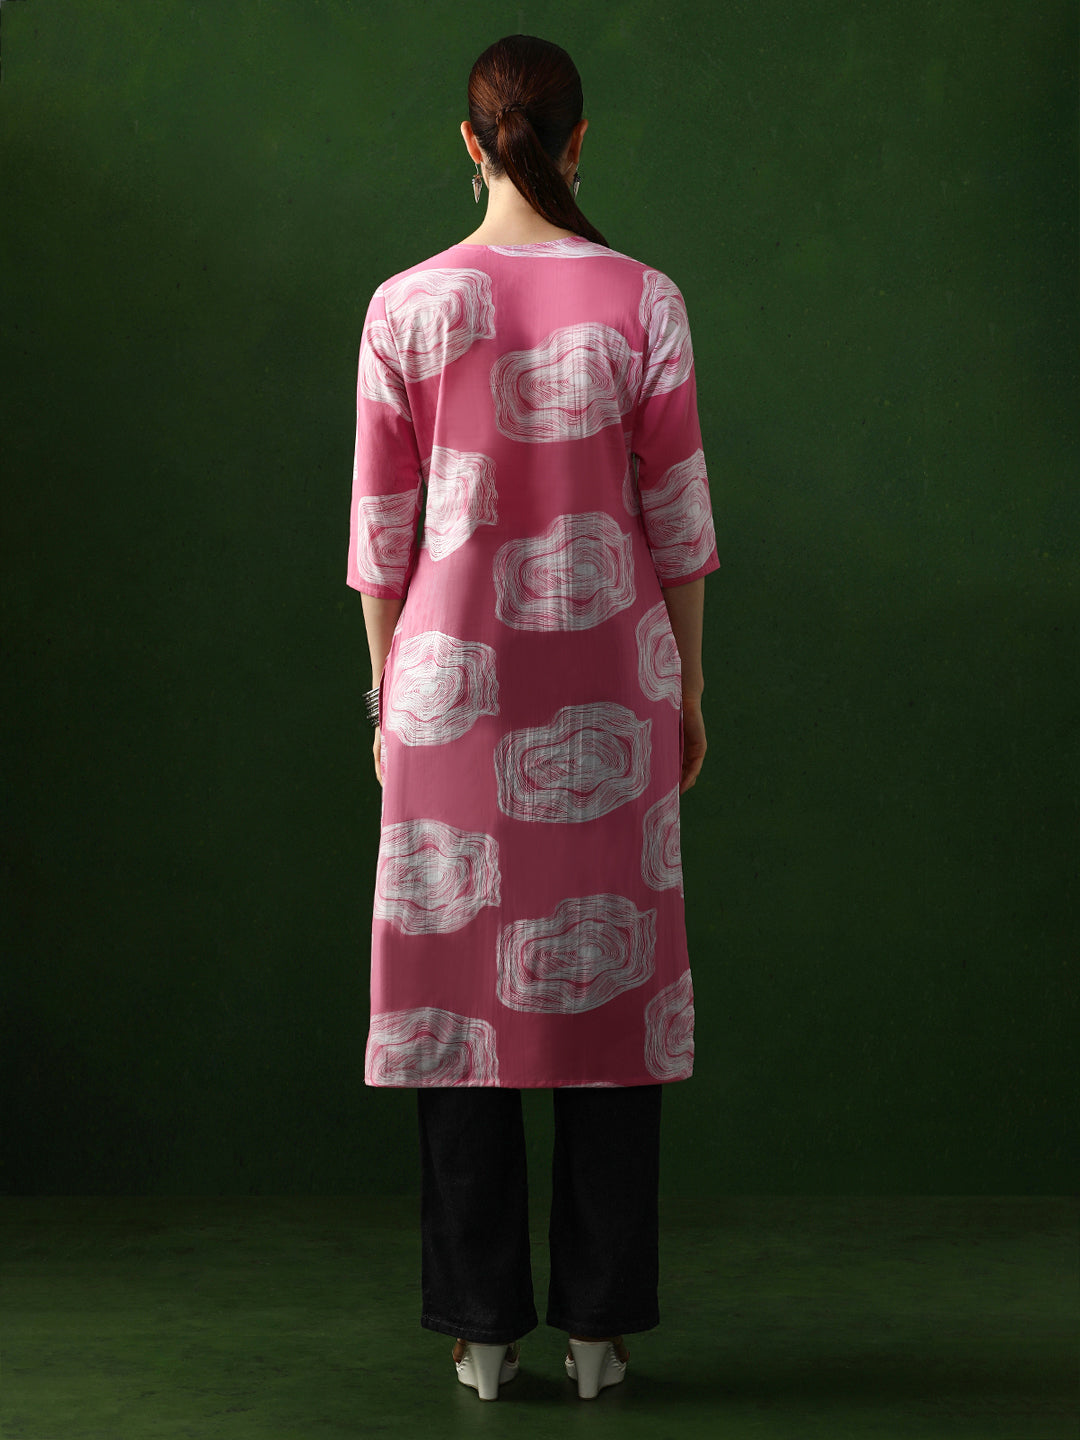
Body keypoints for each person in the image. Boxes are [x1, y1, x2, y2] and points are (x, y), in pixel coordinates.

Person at [346, 34, 719, 1402]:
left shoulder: (404, 306)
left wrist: (387, 700)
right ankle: (601, 1332)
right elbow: (678, 522)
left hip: (447, 690)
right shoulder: (644, 298)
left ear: (469, 142)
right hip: (613, 683)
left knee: (461, 1002)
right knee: (611, 997)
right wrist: (689, 690)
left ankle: (484, 1333)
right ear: (577, 141)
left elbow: (380, 534)